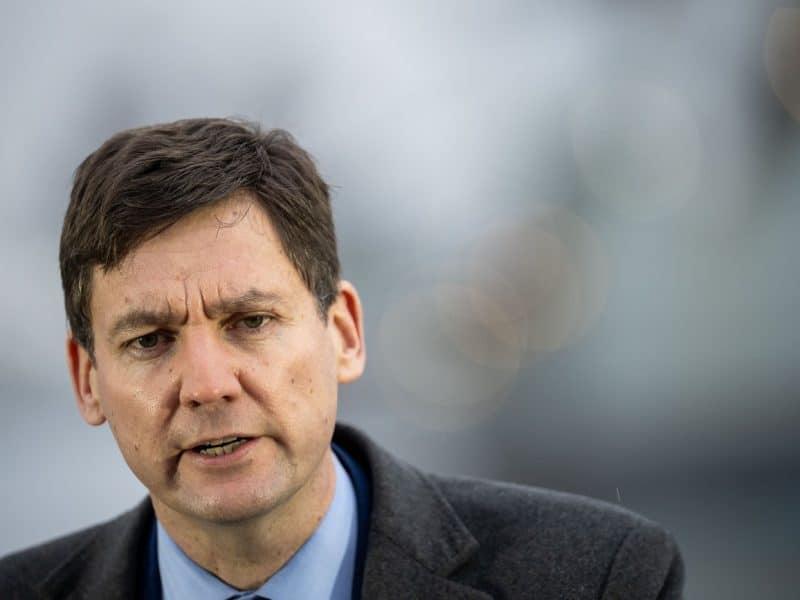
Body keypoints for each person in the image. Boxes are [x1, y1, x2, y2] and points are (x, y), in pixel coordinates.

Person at [0, 118, 684, 599]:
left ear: (345, 335)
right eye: (150, 340)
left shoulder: (598, 579)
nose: (207, 385)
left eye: (251, 322)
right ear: (87, 381)